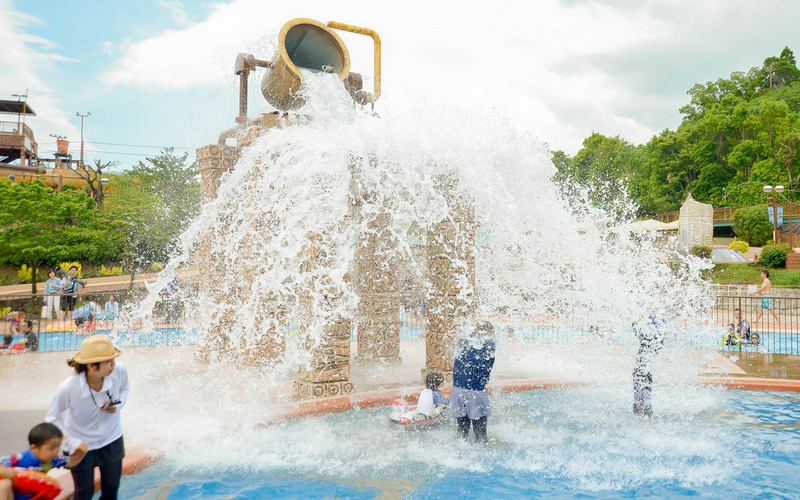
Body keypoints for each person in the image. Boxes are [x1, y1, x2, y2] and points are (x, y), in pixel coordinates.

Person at [46, 334, 129, 500]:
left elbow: (125, 389)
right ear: (91, 366)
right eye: (108, 362)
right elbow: (52, 418)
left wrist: (117, 404)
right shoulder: (69, 387)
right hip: (80, 446)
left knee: (111, 490)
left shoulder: (119, 370)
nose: (113, 365)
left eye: (113, 359)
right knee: (84, 493)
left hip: (112, 439)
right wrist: (71, 442)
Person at [0, 422, 87, 500]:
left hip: (35, 495)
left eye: (58, 446)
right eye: (51, 448)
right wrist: (8, 471)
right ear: (34, 448)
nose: (56, 451)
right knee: (5, 483)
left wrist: (78, 456)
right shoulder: (19, 458)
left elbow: (70, 463)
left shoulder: (54, 459)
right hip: (14, 496)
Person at [451, 321, 496, 444]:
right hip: (475, 390)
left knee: (462, 432)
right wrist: (484, 382)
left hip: (458, 389)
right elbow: (488, 367)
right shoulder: (489, 343)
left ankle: (459, 449)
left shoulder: (463, 340)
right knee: (481, 435)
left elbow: (457, 362)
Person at [633, 316, 665, 420]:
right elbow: (636, 328)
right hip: (641, 370)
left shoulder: (652, 342)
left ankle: (647, 416)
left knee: (643, 390)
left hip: (643, 371)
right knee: (642, 391)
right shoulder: (651, 342)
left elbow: (636, 328)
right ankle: (645, 415)